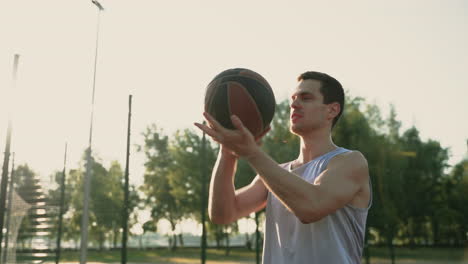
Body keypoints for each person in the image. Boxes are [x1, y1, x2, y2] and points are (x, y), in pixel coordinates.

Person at [194, 71, 371, 263]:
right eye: (293, 99)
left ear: (332, 110)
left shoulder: (350, 162)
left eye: (306, 98)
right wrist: (227, 152)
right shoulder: (275, 175)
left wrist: (252, 153)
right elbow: (222, 214)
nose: (294, 104)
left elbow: (311, 207)